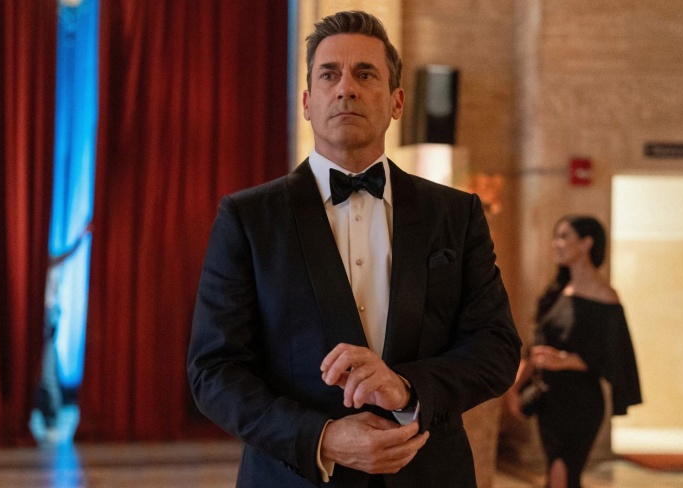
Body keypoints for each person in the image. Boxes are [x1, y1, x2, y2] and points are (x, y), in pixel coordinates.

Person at [188, 10, 521, 488]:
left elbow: (497, 347)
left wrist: (407, 388)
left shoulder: (456, 213)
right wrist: (320, 438)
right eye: (329, 74)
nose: (346, 88)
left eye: (366, 74)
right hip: (295, 478)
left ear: (397, 101)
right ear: (308, 102)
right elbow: (214, 370)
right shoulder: (248, 218)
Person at [504, 215, 642, 488]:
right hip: (549, 401)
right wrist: (513, 390)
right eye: (556, 236)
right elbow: (534, 350)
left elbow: (615, 356)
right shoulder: (557, 291)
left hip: (581, 402)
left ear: (586, 243)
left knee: (562, 474)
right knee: (557, 474)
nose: (556, 243)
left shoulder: (606, 297)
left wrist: (565, 360)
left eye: (564, 236)